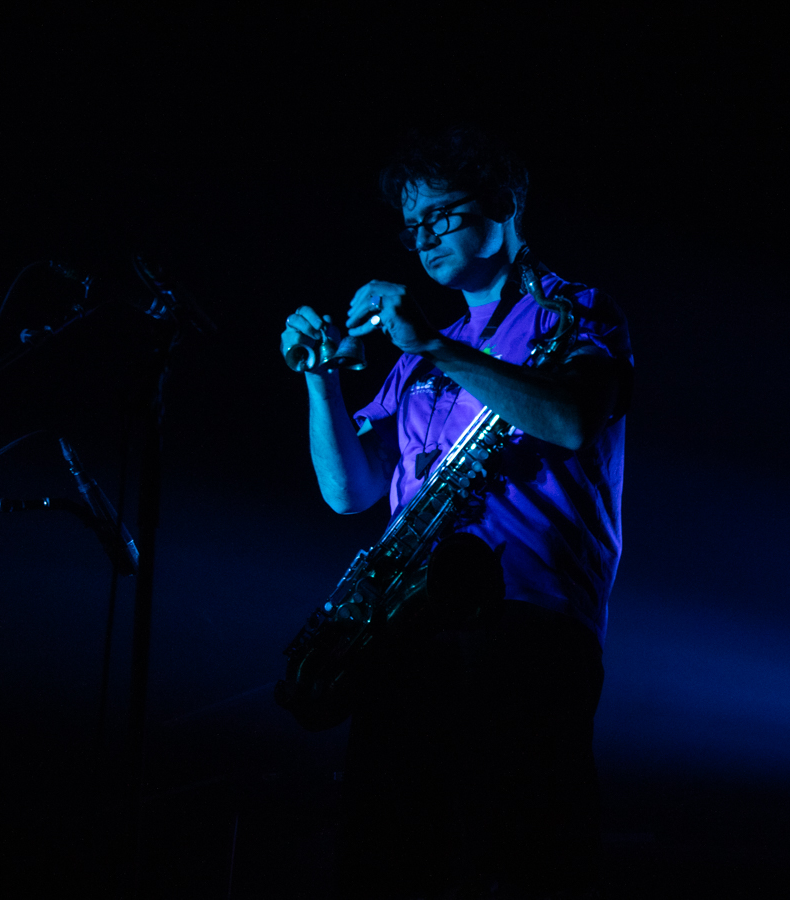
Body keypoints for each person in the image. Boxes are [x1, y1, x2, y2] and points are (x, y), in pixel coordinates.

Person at [279, 128, 631, 899]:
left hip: (525, 626)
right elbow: (349, 493)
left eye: (439, 214)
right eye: (411, 225)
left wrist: (435, 346)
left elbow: (571, 420)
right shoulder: (415, 355)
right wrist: (320, 378)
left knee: (515, 860)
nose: (423, 237)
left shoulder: (574, 311)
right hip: (406, 628)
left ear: (502, 203)